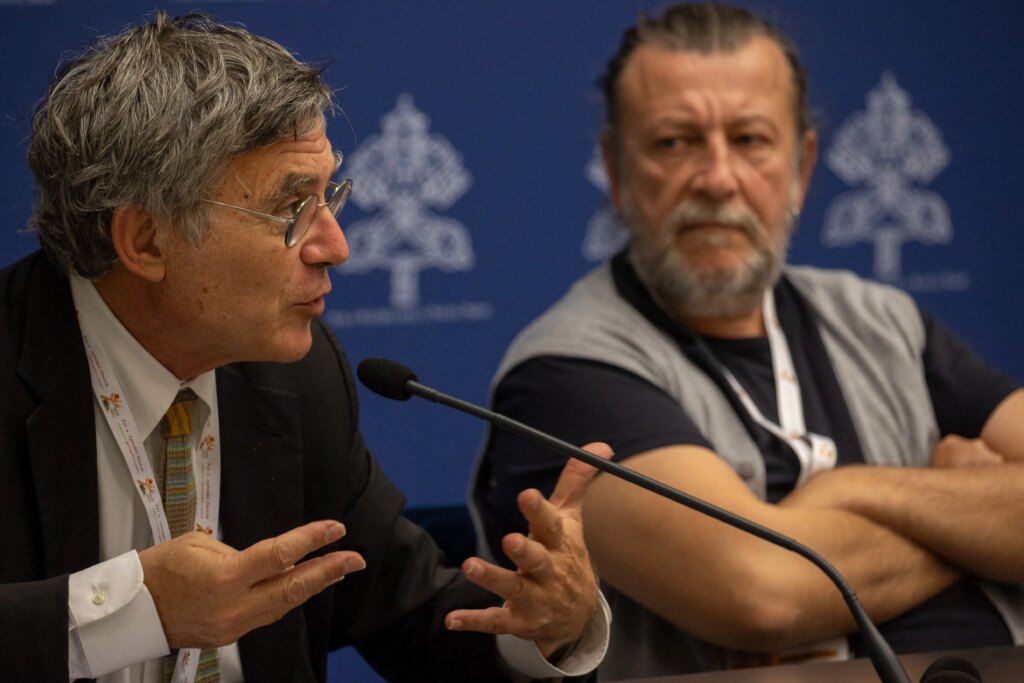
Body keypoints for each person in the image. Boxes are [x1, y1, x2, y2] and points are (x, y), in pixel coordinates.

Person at [0, 12, 612, 682]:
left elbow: (410, 611)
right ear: (146, 240)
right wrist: (128, 612)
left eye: (331, 197)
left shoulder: (298, 375)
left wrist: (546, 626)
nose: (337, 247)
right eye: (293, 211)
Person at [471, 2, 1024, 680]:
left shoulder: (885, 321)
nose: (717, 178)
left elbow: (791, 568)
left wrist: (854, 492)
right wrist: (972, 512)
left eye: (751, 139)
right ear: (615, 170)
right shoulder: (563, 371)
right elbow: (763, 590)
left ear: (803, 165)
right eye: (674, 142)